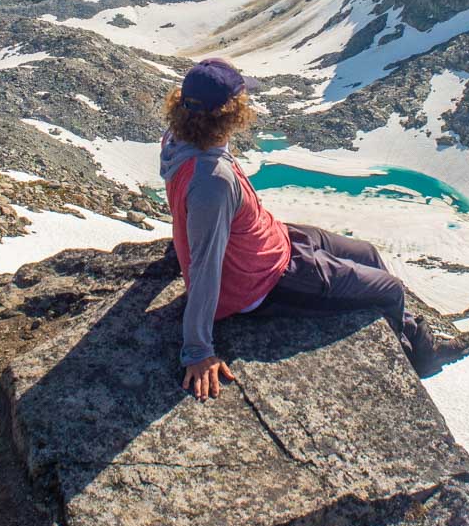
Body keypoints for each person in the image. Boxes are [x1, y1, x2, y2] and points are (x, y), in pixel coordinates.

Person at [160, 57, 449, 401]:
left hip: (274, 239)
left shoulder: (178, 139)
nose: (247, 105)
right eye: (241, 100)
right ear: (227, 112)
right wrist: (198, 350)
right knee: (390, 290)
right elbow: (205, 265)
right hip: (264, 280)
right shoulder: (212, 181)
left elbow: (187, 212)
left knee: (369, 253)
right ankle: (419, 357)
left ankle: (414, 333)